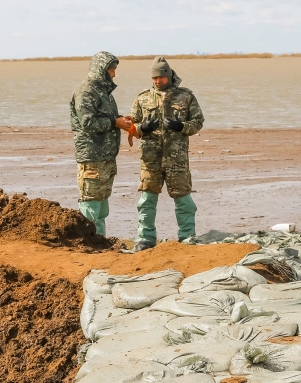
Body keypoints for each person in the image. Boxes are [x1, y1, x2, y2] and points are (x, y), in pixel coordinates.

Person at [130, 56, 205, 251]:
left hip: (177, 160)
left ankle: (187, 237)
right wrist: (142, 128)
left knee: (184, 200)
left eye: (161, 77)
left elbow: (198, 122)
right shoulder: (142, 98)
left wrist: (181, 126)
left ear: (169, 76)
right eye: (154, 78)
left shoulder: (185, 97)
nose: (157, 81)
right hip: (150, 160)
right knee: (146, 201)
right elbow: (130, 126)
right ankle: (146, 239)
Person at [70, 51, 134, 234]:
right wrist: (115, 122)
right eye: (111, 69)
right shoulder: (86, 91)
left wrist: (121, 120)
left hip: (105, 156)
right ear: (101, 70)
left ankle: (100, 242)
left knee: (102, 205)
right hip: (91, 157)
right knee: (90, 204)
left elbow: (104, 118)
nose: (114, 74)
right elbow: (88, 123)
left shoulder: (104, 93)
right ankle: (88, 243)